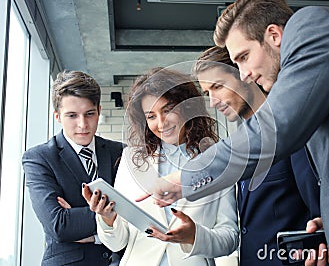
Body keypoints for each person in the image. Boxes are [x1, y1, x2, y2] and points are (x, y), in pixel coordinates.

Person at [139, 0, 329, 265]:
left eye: (244, 57)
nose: (245, 75)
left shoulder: (311, 25)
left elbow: (278, 129)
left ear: (274, 35)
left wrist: (184, 178)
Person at [82, 67, 239, 266]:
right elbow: (116, 243)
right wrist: (106, 217)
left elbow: (230, 238)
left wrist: (194, 236)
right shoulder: (132, 159)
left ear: (187, 106)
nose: (161, 123)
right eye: (151, 116)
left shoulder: (217, 161)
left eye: (168, 110)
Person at [193, 45, 320, 265]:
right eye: (208, 93)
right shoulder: (241, 143)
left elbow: (318, 213)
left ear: (244, 75)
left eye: (218, 87)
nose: (213, 101)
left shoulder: (288, 132)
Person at [22, 70, 125, 265]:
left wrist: (91, 231)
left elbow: (135, 214)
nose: (82, 124)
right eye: (72, 115)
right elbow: (59, 225)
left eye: (89, 114)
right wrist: (113, 211)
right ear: (58, 116)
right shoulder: (39, 158)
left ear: (99, 111)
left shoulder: (119, 152)